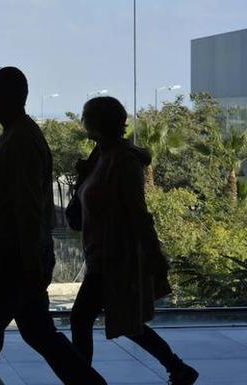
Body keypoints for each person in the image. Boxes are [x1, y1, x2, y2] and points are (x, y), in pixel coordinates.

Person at [0, 67, 107, 385]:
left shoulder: (20, 140)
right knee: (40, 334)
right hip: (20, 254)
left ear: (9, 96)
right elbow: (17, 204)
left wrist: (26, 261)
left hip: (15, 258)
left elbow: (27, 207)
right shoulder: (17, 134)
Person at [68, 96, 198, 385]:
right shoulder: (100, 156)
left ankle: (81, 379)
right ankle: (178, 368)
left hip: (114, 256)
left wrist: (154, 253)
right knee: (127, 322)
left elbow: (138, 213)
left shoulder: (123, 162)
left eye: (86, 117)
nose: (83, 123)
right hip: (101, 254)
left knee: (83, 317)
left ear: (96, 123)